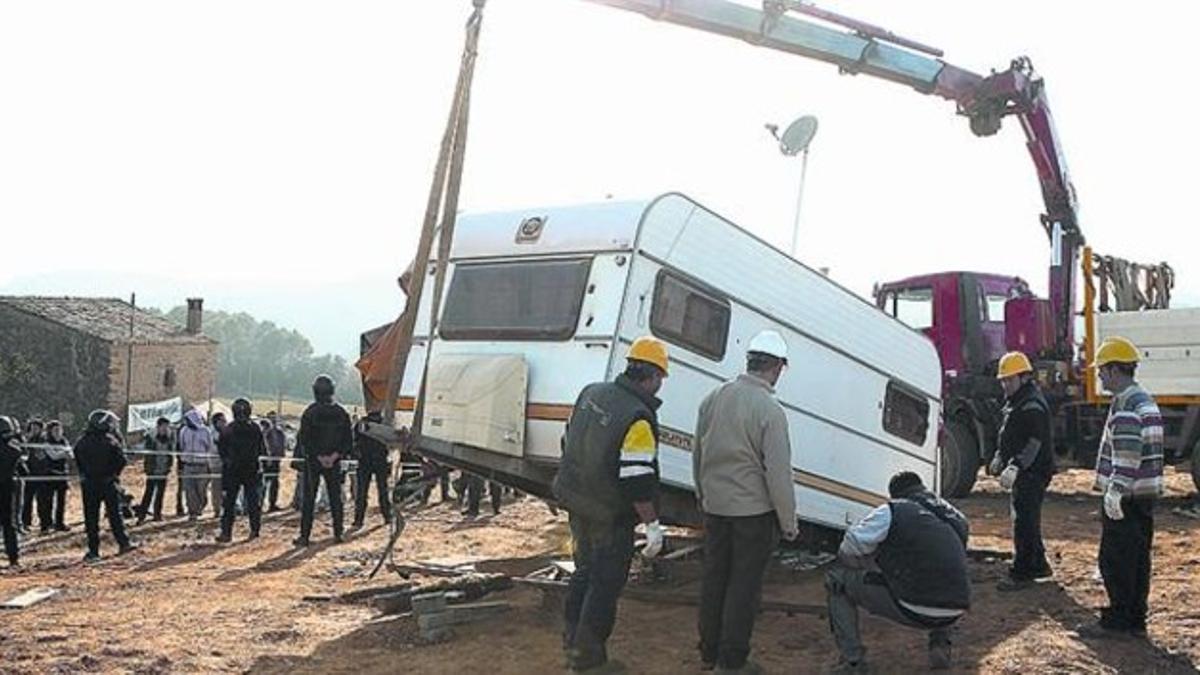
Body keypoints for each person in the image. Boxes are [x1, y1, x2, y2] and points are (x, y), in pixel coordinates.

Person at [552, 336, 669, 673]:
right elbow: (637, 479)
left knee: (583, 573)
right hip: (609, 516)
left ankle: (572, 644)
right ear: (654, 376)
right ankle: (587, 661)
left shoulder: (591, 392)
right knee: (604, 586)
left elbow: (568, 439)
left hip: (577, 504)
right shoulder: (638, 417)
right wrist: (651, 526)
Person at [693, 330, 798, 674]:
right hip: (752, 515)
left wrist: (703, 494)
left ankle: (709, 653)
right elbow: (778, 474)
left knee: (714, 581)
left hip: (715, 508)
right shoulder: (770, 410)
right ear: (778, 367)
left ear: (750, 361)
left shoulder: (713, 398)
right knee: (743, 588)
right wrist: (788, 522)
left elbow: (698, 454)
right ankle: (732, 662)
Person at [825, 471, 971, 672]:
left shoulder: (893, 510)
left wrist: (862, 567)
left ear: (894, 494)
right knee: (939, 574)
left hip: (913, 606)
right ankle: (940, 645)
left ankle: (853, 661)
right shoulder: (957, 517)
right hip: (956, 608)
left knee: (837, 580)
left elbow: (850, 545)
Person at [1076, 337, 1164, 639]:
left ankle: (1118, 620)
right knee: (1139, 559)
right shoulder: (1144, 399)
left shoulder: (1126, 403)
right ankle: (1135, 618)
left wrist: (1115, 489)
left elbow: (1127, 450)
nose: (1099, 375)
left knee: (1116, 559)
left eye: (1102, 370)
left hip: (1126, 496)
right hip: (1144, 495)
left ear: (1115, 370)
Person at [989, 351, 1055, 591]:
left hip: (1032, 472)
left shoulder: (1031, 405)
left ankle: (1023, 571)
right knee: (1026, 518)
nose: (1005, 385)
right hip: (1025, 471)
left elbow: (1034, 442)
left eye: (1009, 380)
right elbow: (1009, 435)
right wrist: (999, 457)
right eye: (1003, 381)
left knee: (1024, 521)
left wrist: (1016, 465)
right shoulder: (1017, 402)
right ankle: (1038, 564)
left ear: (1024, 378)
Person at [294, 374, 353, 547]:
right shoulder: (341, 413)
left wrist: (319, 457)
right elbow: (348, 440)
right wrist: (334, 456)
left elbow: (304, 439)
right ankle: (338, 533)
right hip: (334, 460)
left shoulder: (310, 412)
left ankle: (305, 536)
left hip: (314, 461)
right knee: (336, 498)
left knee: (309, 499)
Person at [73, 410, 137, 563]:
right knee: (115, 515)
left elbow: (77, 459)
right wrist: (114, 474)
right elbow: (122, 460)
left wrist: (86, 473)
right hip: (108, 482)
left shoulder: (82, 441)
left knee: (91, 518)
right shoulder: (110, 440)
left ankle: (93, 551)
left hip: (89, 484)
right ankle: (124, 543)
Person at [216, 399, 266, 542]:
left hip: (235, 470)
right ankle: (254, 531)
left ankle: (227, 533)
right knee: (251, 502)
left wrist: (228, 462)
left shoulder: (229, 429)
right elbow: (262, 448)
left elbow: (222, 451)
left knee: (231, 503)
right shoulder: (255, 428)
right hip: (250, 469)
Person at [351, 411, 392, 530]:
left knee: (367, 491)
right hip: (373, 460)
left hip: (370, 460)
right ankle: (385, 516)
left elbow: (355, 442)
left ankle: (360, 520)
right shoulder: (384, 423)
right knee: (378, 490)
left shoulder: (364, 423)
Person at [178, 409, 219, 521]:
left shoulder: (205, 431)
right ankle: (192, 512)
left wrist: (208, 462)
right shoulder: (184, 431)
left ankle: (201, 505)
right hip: (188, 465)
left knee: (201, 490)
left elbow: (209, 447)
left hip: (202, 465)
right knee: (189, 490)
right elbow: (182, 446)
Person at [137, 417, 175, 524]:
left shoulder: (169, 438)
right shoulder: (151, 438)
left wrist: (169, 467)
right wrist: (149, 469)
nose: (165, 429)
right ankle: (142, 515)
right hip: (153, 471)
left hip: (163, 470)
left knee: (160, 494)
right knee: (149, 493)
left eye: (167, 427)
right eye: (163, 426)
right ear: (158, 427)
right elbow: (148, 456)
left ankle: (157, 514)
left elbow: (170, 454)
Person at [1, 415, 24, 567]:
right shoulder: (14, 451)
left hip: (6, 487)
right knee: (9, 524)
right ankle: (13, 558)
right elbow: (24, 470)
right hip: (7, 489)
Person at [43, 421, 72, 531]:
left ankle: (59, 523)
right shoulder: (46, 442)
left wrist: (64, 454)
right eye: (55, 430)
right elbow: (53, 456)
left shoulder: (64, 441)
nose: (58, 432)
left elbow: (70, 455)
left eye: (60, 430)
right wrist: (64, 454)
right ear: (50, 431)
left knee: (61, 501)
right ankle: (47, 524)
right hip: (50, 474)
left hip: (63, 474)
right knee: (48, 501)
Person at [21, 419, 48, 533]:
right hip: (29, 474)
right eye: (32, 428)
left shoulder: (44, 440)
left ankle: (44, 524)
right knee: (27, 500)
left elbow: (43, 456)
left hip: (41, 474)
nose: (34, 430)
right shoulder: (26, 440)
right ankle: (26, 523)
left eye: (36, 428)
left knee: (43, 501)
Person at [261, 412, 288, 512]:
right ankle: (260, 504)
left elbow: (282, 445)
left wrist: (280, 455)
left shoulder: (279, 432)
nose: (273, 420)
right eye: (271, 418)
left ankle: (272, 503)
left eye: (274, 418)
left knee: (275, 483)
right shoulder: (264, 431)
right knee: (263, 483)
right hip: (265, 461)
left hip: (276, 461)